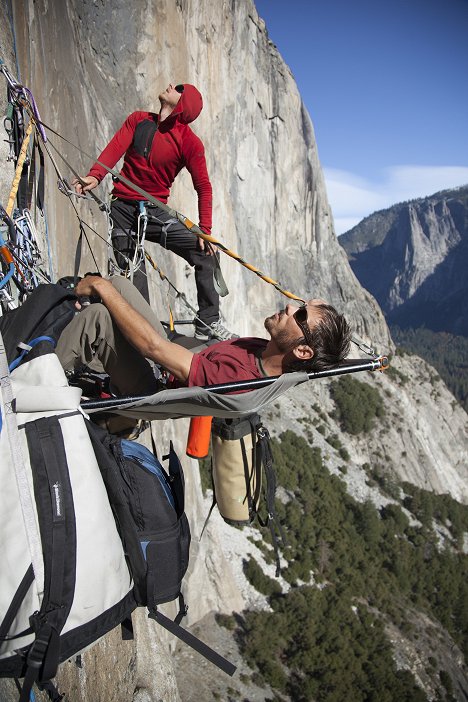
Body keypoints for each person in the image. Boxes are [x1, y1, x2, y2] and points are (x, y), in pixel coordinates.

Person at [72, 83, 231, 341]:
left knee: (206, 253)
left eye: (179, 89)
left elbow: (203, 186)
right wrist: (95, 176)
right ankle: (144, 333)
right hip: (122, 208)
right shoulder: (139, 120)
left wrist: (206, 230)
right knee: (134, 277)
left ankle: (208, 323)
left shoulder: (190, 143)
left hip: (155, 212)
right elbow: (114, 150)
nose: (171, 86)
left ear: (183, 106)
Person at [56, 275, 351, 397]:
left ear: (302, 352)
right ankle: (61, 324)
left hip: (153, 385)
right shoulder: (266, 352)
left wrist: (100, 288)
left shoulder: (241, 379)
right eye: (299, 305)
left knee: (99, 316)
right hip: (169, 360)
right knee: (119, 283)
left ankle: (32, 371)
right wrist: (315, 309)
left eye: (299, 315)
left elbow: (152, 347)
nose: (289, 307)